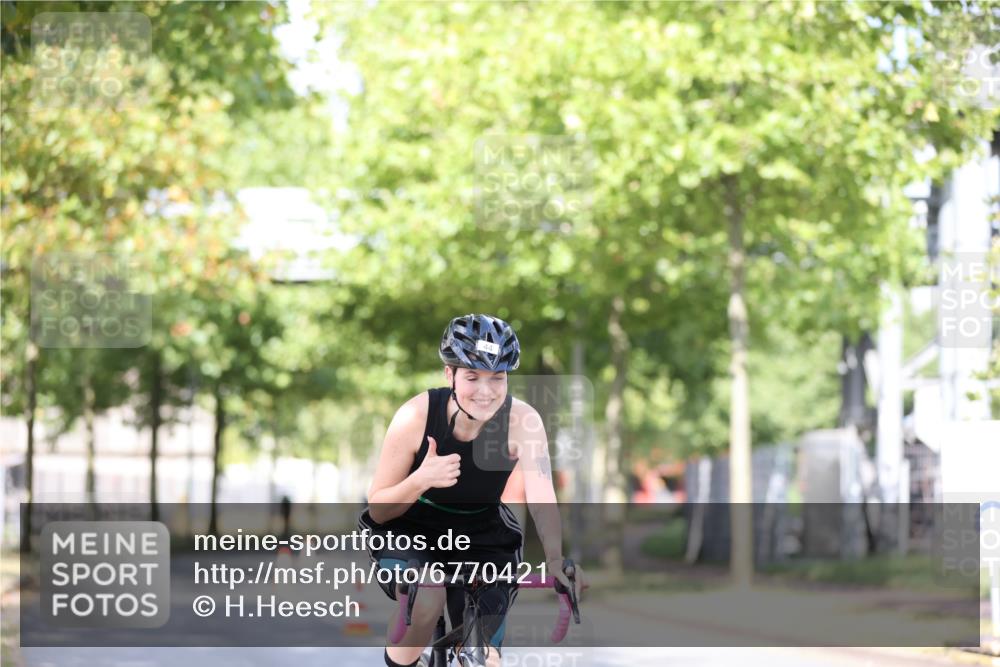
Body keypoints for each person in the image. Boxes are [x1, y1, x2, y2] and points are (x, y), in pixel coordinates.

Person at [358, 313, 588, 667]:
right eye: (472, 377)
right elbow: (378, 509)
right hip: (409, 529)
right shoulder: (415, 416)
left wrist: (555, 560)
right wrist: (422, 478)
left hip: (483, 534)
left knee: (487, 655)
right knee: (428, 596)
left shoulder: (523, 421)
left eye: (498, 378)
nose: (486, 391)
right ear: (449, 374)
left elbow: (542, 498)